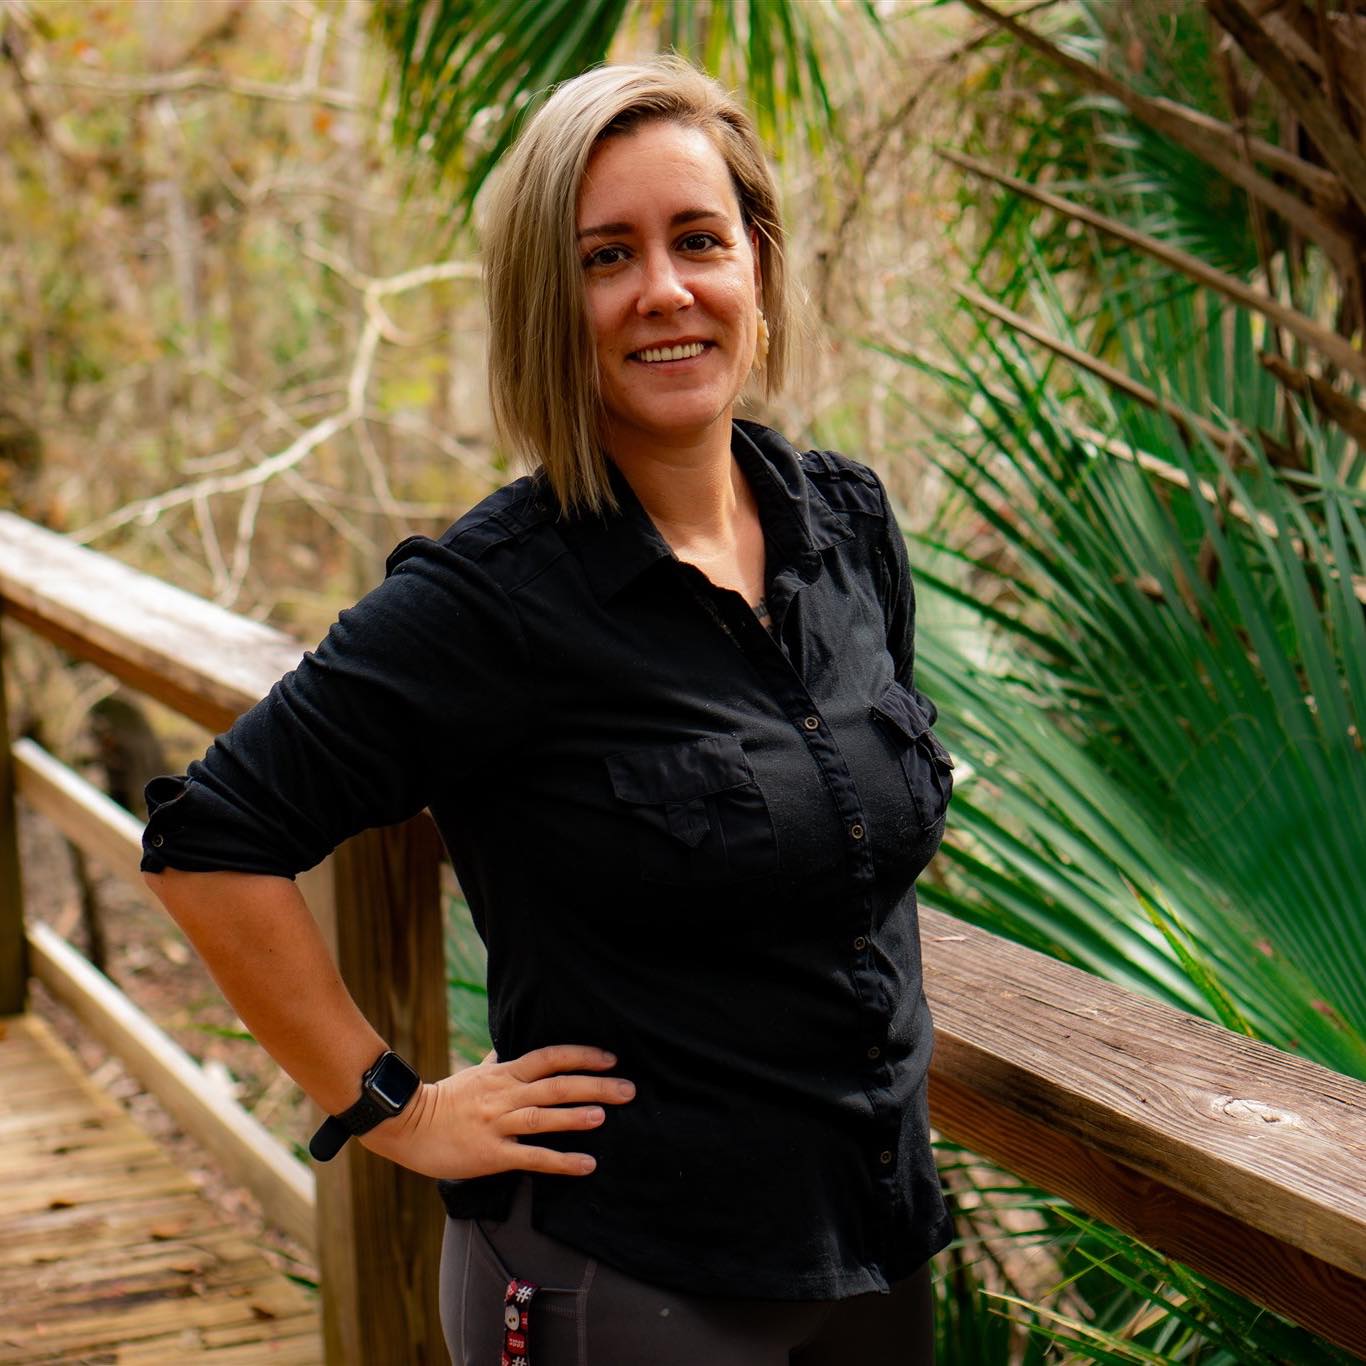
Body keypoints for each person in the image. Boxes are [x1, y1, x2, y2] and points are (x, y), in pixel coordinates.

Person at [141, 56, 954, 1366]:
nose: (664, 290)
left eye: (698, 239)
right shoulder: (493, 600)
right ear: (547, 304)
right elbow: (209, 837)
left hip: (875, 1252)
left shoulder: (846, 525)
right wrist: (398, 1109)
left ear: (757, 262)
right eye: (604, 257)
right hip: (627, 1283)